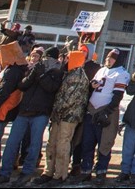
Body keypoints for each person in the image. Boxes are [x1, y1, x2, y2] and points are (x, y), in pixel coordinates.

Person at [0, 46, 63, 184]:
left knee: (34, 144)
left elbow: (51, 88)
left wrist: (42, 75)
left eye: (50, 58)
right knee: (12, 142)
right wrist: (33, 73)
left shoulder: (58, 72)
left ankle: (27, 172)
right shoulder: (35, 68)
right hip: (24, 111)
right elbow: (22, 85)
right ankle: (4, 172)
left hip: (41, 113)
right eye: (45, 57)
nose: (46, 60)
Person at [39, 50, 91, 185]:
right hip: (58, 115)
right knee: (52, 143)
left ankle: (60, 175)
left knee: (63, 144)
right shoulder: (67, 73)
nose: (65, 60)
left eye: (68, 57)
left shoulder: (79, 75)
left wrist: (57, 110)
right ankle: (48, 171)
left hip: (69, 116)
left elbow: (70, 98)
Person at [80, 48, 129, 181]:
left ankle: (101, 172)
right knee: (88, 142)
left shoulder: (121, 73)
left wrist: (107, 111)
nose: (108, 59)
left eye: (112, 58)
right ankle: (86, 170)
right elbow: (93, 86)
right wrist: (92, 85)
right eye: (107, 57)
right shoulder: (101, 70)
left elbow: (118, 95)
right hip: (92, 109)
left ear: (118, 59)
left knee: (104, 143)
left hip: (107, 110)